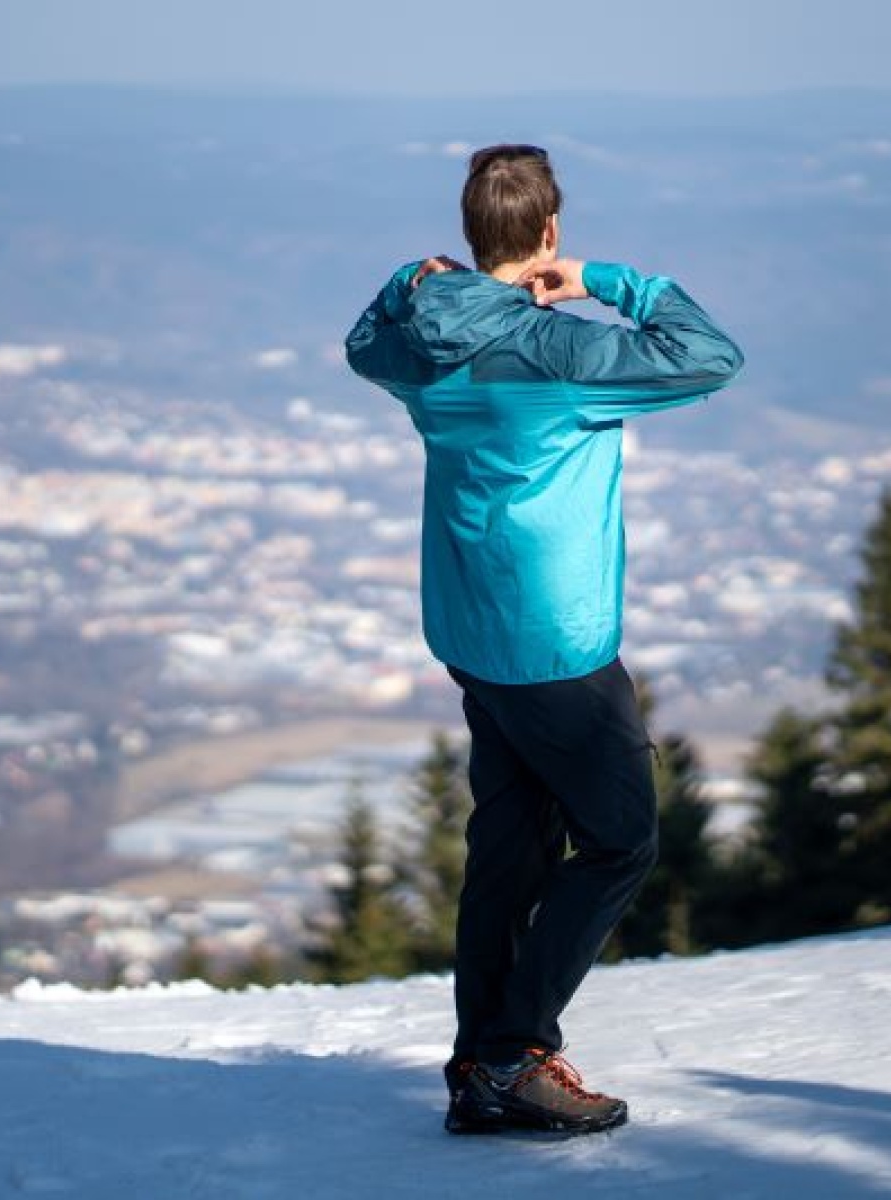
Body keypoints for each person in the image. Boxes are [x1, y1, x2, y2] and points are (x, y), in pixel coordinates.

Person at [344, 144, 743, 1135]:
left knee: (510, 850)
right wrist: (603, 280)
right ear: (549, 231)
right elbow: (710, 356)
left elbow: (362, 345)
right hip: (556, 644)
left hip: (470, 632)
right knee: (620, 841)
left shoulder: (419, 347)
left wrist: (407, 282)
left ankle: (476, 1070)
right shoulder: (558, 351)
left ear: (470, 232)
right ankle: (513, 1055)